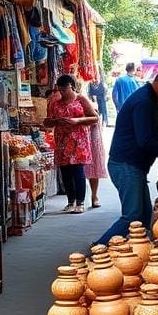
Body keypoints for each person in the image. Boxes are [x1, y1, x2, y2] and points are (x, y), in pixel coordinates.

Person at [95, 65, 158, 246]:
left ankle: (148, 251)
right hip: (126, 165)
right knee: (132, 217)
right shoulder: (144, 101)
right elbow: (146, 140)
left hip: (132, 166)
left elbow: (156, 136)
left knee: (145, 215)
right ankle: (98, 249)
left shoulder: (150, 98)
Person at [45, 74, 99, 214]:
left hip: (78, 140)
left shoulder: (81, 99)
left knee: (78, 171)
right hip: (62, 140)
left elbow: (94, 118)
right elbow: (47, 121)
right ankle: (70, 201)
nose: (62, 92)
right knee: (66, 173)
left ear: (72, 87)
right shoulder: (55, 103)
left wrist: (77, 121)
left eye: (65, 89)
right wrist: (56, 121)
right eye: (60, 90)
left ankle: (80, 202)